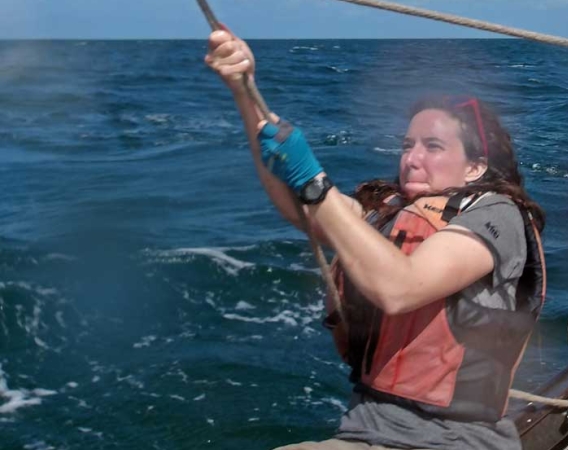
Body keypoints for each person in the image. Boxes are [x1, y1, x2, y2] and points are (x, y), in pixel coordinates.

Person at [204, 28, 547, 450]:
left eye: (433, 146)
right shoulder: (387, 214)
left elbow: (401, 288)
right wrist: (244, 91)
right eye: (407, 145)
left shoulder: (497, 214)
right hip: (365, 432)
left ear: (475, 167)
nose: (412, 158)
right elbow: (300, 208)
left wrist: (312, 181)